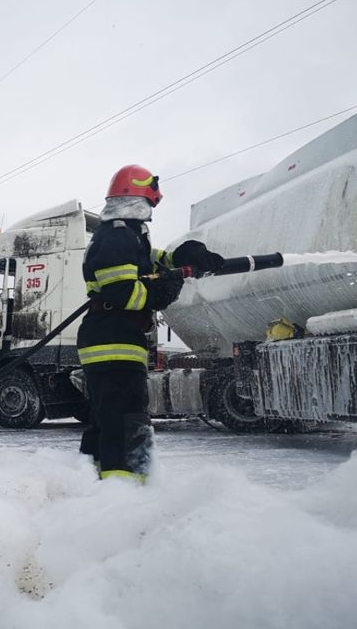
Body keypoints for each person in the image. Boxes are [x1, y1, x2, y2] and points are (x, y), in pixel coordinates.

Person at [77, 165, 224, 482]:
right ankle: (124, 488)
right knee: (125, 416)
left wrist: (185, 255)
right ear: (139, 200)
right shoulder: (117, 237)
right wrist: (162, 290)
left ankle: (95, 485)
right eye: (150, 203)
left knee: (109, 417)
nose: (151, 212)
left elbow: (153, 259)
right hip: (112, 338)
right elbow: (122, 292)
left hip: (114, 335)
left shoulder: (127, 237)